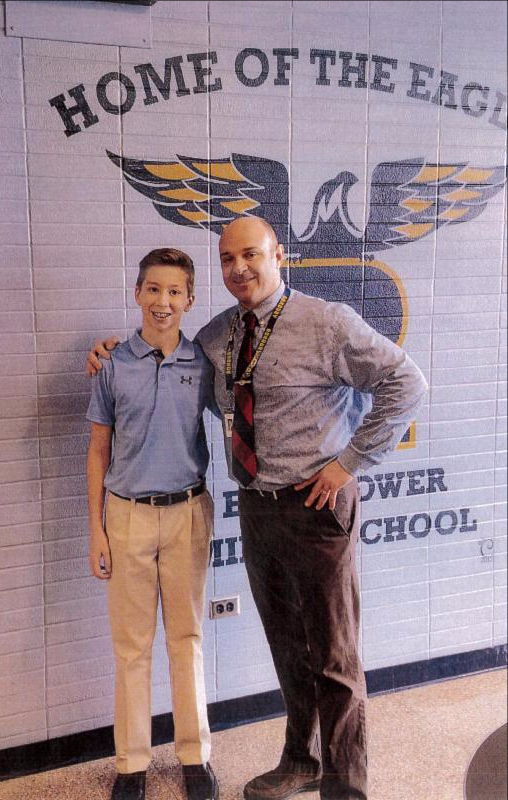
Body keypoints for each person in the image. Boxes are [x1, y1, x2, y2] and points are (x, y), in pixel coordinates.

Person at [87, 218, 428, 800]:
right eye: (227, 259)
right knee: (288, 646)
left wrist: (348, 463)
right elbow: (163, 356)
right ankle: (301, 760)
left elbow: (406, 382)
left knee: (334, 657)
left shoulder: (326, 322)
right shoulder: (218, 336)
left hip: (318, 505)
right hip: (257, 506)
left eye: (250, 254)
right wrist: (111, 351)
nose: (239, 268)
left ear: (279, 255)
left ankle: (345, 787)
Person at [86, 248, 219, 800]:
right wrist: (96, 529)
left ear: (189, 300)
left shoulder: (203, 365)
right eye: (153, 289)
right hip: (127, 517)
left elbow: (243, 412)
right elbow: (98, 450)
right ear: (138, 293)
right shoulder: (112, 364)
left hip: (187, 513)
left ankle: (194, 756)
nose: (163, 301)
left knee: (186, 640)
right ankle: (132, 763)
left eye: (174, 292)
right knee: (131, 646)